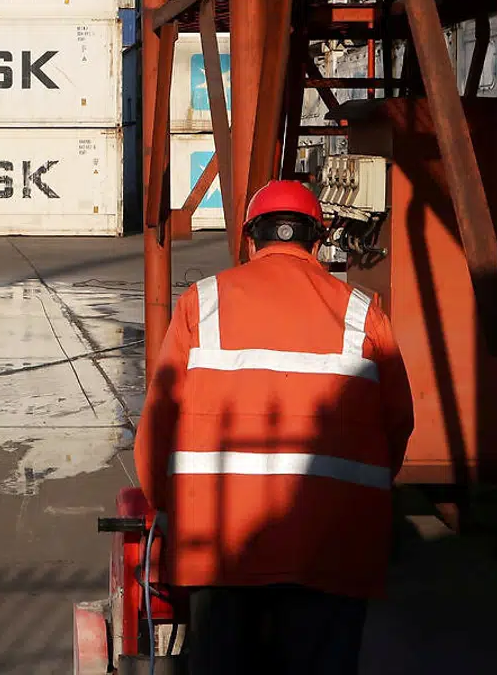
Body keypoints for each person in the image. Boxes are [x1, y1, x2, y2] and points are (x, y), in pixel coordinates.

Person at [134, 179, 415, 675]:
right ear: (319, 239)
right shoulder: (363, 313)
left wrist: (165, 504)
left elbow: (159, 422)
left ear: (249, 239)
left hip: (220, 547)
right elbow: (397, 424)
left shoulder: (202, 305)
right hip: (332, 546)